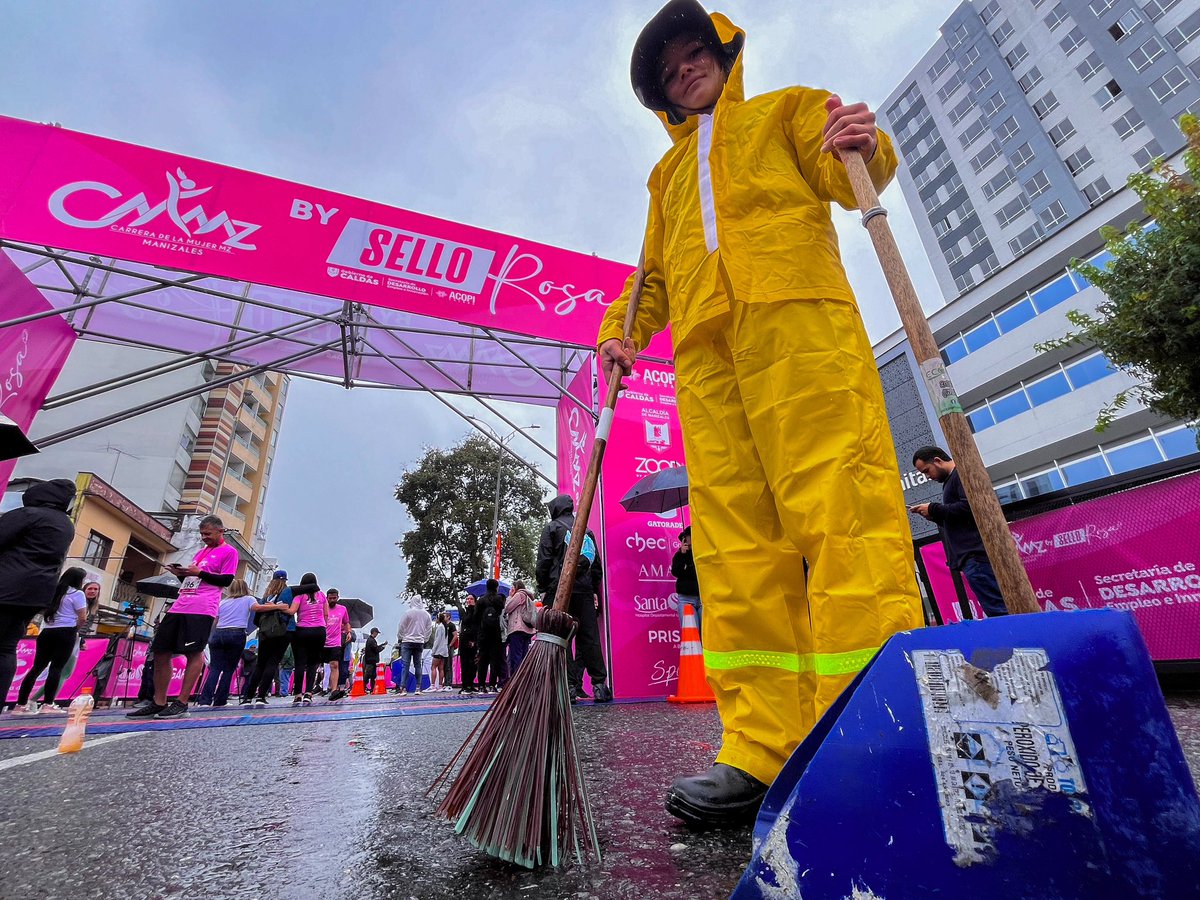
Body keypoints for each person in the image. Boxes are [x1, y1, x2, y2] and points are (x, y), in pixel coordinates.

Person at [596, 1, 924, 825]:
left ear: (722, 54)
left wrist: (865, 142)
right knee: (737, 547)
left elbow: (846, 172)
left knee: (841, 512)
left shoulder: (785, 109)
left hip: (801, 328)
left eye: (692, 54)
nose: (684, 69)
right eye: (668, 70)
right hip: (707, 360)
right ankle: (759, 749)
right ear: (664, 97)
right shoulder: (664, 178)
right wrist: (619, 332)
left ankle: (870, 726)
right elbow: (652, 276)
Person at [127, 515, 239, 719]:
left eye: (208, 534)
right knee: (161, 651)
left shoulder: (229, 552)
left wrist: (200, 574)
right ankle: (159, 701)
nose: (204, 537)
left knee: (194, 652)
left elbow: (227, 579)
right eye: (202, 534)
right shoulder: (201, 552)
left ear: (220, 531)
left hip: (202, 607)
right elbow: (193, 577)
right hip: (180, 605)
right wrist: (180, 573)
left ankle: (182, 701)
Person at [0, 478, 76, 710]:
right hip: (36, 594)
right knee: (6, 648)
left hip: (6, 586)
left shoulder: (28, 514)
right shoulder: (65, 524)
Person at [910, 447, 1008, 618]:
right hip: (973, 558)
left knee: (999, 610)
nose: (928, 476)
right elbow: (960, 517)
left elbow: (971, 507)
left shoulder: (960, 475)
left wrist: (933, 508)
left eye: (927, 470)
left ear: (938, 461)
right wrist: (934, 515)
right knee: (997, 609)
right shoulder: (952, 480)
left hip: (975, 556)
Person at [535, 495, 609, 705]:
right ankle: (599, 686)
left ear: (555, 510)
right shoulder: (586, 531)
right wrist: (593, 588)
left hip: (558, 590)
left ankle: (567, 688)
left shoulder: (551, 529)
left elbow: (544, 560)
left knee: (561, 639)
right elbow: (596, 567)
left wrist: (543, 587)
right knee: (589, 638)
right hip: (584, 590)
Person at [12, 567, 88, 714]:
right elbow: (83, 617)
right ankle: (47, 704)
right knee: (56, 668)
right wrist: (74, 629)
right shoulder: (77, 593)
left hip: (47, 631)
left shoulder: (54, 591)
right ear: (78, 580)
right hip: (66, 631)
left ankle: (20, 705)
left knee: (36, 668)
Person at [197, 578, 282, 707]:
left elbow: (215, 620)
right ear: (246, 588)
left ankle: (205, 700)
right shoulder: (249, 599)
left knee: (214, 668)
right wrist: (276, 606)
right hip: (236, 633)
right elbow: (258, 608)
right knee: (228, 669)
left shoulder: (223, 602)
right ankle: (220, 700)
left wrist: (210, 636)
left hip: (219, 633)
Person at [240, 570, 295, 707]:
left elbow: (258, 617)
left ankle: (248, 696)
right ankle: (261, 696)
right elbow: (287, 609)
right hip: (283, 631)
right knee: (272, 663)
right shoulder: (287, 591)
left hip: (265, 631)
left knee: (260, 664)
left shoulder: (266, 596)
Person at [286, 573, 326, 706]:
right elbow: (326, 614)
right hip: (319, 631)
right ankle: (309, 693)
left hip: (302, 630)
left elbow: (292, 611)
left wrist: (280, 607)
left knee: (300, 663)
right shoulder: (322, 595)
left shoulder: (299, 595)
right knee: (313, 663)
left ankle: (298, 694)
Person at [396, 601, 432, 696]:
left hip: (407, 641)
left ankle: (403, 688)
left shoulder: (408, 613)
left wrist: (400, 637)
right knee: (418, 665)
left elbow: (401, 626)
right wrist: (425, 639)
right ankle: (418, 687)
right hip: (419, 642)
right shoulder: (426, 615)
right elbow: (429, 629)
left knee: (405, 665)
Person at [475, 579, 505, 693]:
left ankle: (481, 685)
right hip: (495, 633)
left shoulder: (481, 600)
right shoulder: (498, 599)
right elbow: (501, 610)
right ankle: (492, 685)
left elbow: (476, 616)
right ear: (496, 587)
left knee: (482, 659)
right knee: (494, 659)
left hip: (483, 633)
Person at [504, 580, 537, 679]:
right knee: (524, 656)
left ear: (516, 587)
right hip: (527, 629)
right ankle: (524, 679)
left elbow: (507, 608)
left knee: (516, 656)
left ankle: (516, 679)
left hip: (517, 628)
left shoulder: (519, 595)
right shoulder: (528, 597)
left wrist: (510, 596)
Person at [671, 526, 701, 635]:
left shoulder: (702, 555)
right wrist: (683, 555)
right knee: (691, 633)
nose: (691, 539)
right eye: (689, 537)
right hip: (686, 598)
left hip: (703, 599)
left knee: (706, 635)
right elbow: (676, 572)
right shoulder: (679, 556)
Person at [323, 588, 351, 701]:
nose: (332, 600)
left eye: (334, 598)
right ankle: (325, 687)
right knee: (321, 666)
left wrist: (348, 632)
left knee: (334, 665)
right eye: (330, 598)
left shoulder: (342, 609)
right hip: (322, 641)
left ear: (338, 598)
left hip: (336, 641)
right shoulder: (322, 608)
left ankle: (334, 690)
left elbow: (346, 622)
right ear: (327, 598)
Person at [362, 627, 386, 694]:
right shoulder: (371, 640)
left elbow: (376, 648)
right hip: (371, 661)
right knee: (368, 675)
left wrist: (382, 645)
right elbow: (376, 649)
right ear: (374, 632)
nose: (377, 634)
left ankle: (372, 689)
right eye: (377, 633)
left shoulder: (371, 640)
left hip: (371, 661)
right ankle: (363, 688)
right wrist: (382, 647)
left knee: (372, 676)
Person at [429, 616, 448, 691]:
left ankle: (433, 685)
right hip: (444, 650)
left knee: (433, 667)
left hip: (438, 650)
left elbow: (437, 640)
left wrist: (433, 650)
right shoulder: (444, 627)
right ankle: (440, 685)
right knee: (441, 668)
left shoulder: (440, 627)